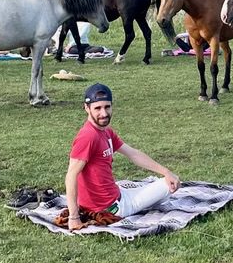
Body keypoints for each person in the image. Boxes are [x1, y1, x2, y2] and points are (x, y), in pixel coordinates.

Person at [64, 83, 180, 230]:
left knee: (168, 181)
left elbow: (133, 154)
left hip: (118, 195)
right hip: (111, 208)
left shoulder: (106, 131)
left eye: (107, 107)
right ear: (86, 108)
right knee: (168, 186)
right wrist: (74, 217)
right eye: (97, 108)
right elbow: (71, 176)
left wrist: (166, 171)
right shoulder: (88, 136)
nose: (104, 113)